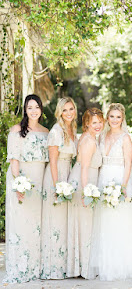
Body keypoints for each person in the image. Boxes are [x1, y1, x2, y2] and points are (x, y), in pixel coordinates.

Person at [89, 103, 132, 281]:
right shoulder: (102, 135)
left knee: (121, 222)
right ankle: (106, 264)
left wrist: (123, 186)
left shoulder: (126, 138)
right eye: (111, 116)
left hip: (120, 179)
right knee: (105, 222)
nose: (114, 120)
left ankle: (122, 265)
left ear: (122, 119)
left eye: (118, 117)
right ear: (107, 118)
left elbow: (128, 163)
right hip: (104, 178)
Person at [4, 94, 49, 284]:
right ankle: (20, 266)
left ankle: (35, 266)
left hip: (39, 181)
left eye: (36, 106)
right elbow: (14, 160)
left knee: (36, 225)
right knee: (21, 224)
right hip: (21, 178)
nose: (33, 110)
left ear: (41, 109)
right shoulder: (17, 130)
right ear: (25, 109)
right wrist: (19, 184)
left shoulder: (46, 132)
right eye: (30, 107)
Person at [41, 97, 78, 279]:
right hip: (56, 177)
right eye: (65, 110)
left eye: (71, 109)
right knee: (55, 222)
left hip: (68, 173)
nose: (69, 113)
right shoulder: (56, 131)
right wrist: (57, 187)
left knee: (64, 223)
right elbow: (53, 162)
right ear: (59, 112)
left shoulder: (72, 129)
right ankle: (52, 267)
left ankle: (64, 265)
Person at [67, 108, 104, 279]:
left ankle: (80, 265)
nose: (98, 125)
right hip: (84, 181)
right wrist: (85, 192)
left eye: (100, 121)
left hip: (84, 179)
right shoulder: (89, 141)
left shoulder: (88, 137)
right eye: (94, 122)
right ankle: (83, 267)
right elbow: (84, 169)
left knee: (84, 225)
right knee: (85, 225)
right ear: (87, 123)